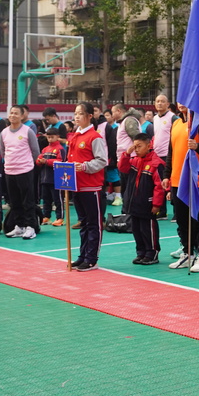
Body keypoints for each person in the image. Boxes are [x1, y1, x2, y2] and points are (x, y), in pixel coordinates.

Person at [165, 99, 199, 272]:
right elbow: (171, 152)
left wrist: (197, 146)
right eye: (179, 100)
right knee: (181, 219)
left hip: (196, 179)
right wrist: (167, 175)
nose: (181, 103)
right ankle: (188, 253)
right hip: (177, 179)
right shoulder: (176, 123)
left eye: (185, 99)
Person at [68, 102, 108, 271]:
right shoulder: (74, 136)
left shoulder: (94, 137)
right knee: (84, 223)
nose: (76, 117)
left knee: (93, 224)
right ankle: (83, 255)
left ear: (90, 116)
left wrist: (84, 166)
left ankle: (92, 259)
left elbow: (102, 160)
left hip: (91, 187)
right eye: (75, 113)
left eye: (80, 113)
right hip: (76, 186)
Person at [120, 132, 168, 265]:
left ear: (149, 145)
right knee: (136, 229)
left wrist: (157, 204)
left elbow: (159, 186)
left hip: (147, 204)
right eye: (134, 146)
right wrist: (127, 154)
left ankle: (152, 253)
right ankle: (141, 252)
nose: (136, 149)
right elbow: (122, 168)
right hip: (134, 203)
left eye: (139, 146)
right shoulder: (134, 160)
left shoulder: (156, 163)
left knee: (148, 229)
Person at [0, 105, 40, 240]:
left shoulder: (28, 131)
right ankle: (19, 226)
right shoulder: (4, 132)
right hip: (10, 171)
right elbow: (3, 151)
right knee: (14, 201)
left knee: (28, 201)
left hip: (25, 170)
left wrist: (27, 164)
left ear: (22, 116)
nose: (13, 115)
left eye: (16, 113)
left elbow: (35, 152)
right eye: (11, 113)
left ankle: (31, 227)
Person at [37, 126, 67, 226]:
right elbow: (39, 159)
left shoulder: (60, 149)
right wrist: (39, 161)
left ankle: (60, 218)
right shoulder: (45, 149)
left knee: (57, 199)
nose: (50, 139)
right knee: (46, 199)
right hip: (44, 178)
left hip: (56, 178)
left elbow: (61, 161)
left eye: (52, 137)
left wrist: (47, 161)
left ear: (57, 137)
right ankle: (46, 216)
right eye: (48, 137)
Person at [150, 93, 176, 159]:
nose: (160, 103)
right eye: (158, 101)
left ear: (168, 104)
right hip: (156, 154)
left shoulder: (173, 117)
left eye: (162, 101)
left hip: (168, 154)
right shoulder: (155, 118)